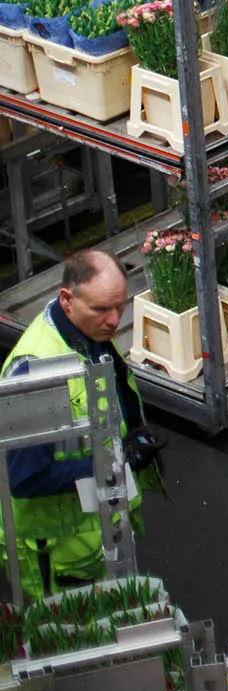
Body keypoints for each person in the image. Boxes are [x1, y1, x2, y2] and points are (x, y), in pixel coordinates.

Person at [5, 250, 160, 597]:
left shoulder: (85, 333)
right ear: (67, 300)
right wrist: (113, 463)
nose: (114, 320)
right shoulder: (35, 371)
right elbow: (25, 478)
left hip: (94, 533)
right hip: (58, 554)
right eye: (102, 309)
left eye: (120, 306)